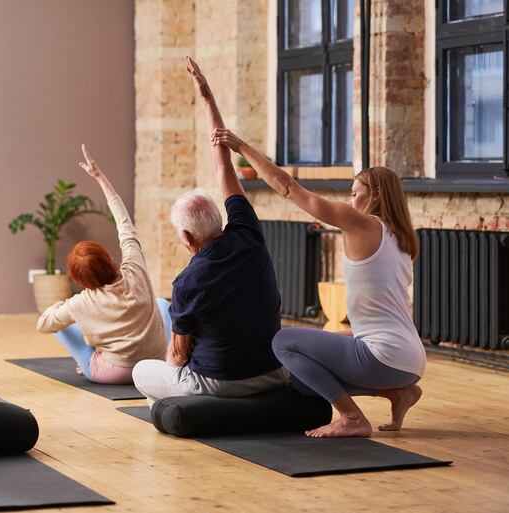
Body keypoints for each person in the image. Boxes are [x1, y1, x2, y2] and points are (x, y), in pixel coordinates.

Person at [212, 122, 425, 439]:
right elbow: (382, 308)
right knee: (301, 376)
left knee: (283, 343)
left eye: (355, 194)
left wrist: (241, 147)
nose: (350, 202)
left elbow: (289, 189)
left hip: (384, 358)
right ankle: (397, 394)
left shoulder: (362, 223)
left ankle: (352, 417)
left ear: (376, 194)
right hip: (410, 362)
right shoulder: (403, 239)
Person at [132, 57, 289, 404]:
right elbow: (224, 164)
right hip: (275, 373)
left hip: (221, 384)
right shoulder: (248, 233)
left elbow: (177, 358)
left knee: (143, 372)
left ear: (187, 238)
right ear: (218, 221)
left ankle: (181, 415)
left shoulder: (189, 281)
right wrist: (207, 98)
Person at [37, 145, 170, 385]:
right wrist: (99, 176)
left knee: (62, 325)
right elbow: (124, 223)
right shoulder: (135, 268)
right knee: (161, 303)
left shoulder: (82, 302)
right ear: (107, 257)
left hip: (115, 373)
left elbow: (44, 324)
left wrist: (58, 306)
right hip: (156, 362)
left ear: (80, 279)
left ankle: (88, 362)